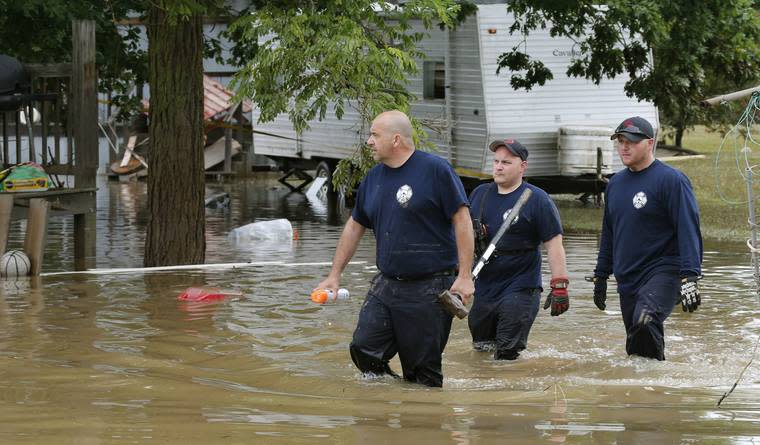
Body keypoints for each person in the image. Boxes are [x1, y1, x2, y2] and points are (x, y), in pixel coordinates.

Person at [315, 110, 475, 387]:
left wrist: (464, 275)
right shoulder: (374, 178)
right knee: (364, 350)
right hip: (386, 284)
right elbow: (355, 225)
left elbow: (462, 219)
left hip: (431, 286)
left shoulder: (435, 170)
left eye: (375, 135)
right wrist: (334, 274)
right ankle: (389, 406)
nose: (369, 141)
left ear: (396, 139)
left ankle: (421, 421)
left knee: (422, 375)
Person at [592, 116, 703, 360]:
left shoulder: (671, 180)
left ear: (650, 143)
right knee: (636, 343)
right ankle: (648, 389)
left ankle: (653, 379)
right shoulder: (615, 184)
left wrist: (690, 276)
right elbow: (610, 232)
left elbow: (688, 229)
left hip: (664, 270)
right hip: (627, 275)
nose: (624, 147)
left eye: (631, 141)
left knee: (645, 320)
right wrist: (601, 275)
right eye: (620, 141)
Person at [467, 139, 569, 360]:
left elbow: (554, 245)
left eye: (506, 162)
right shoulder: (479, 194)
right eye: (496, 161)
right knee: (481, 351)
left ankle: (510, 392)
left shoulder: (537, 199)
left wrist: (559, 285)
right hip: (485, 288)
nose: (499, 167)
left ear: (522, 166)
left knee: (506, 354)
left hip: (521, 287)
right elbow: (462, 239)